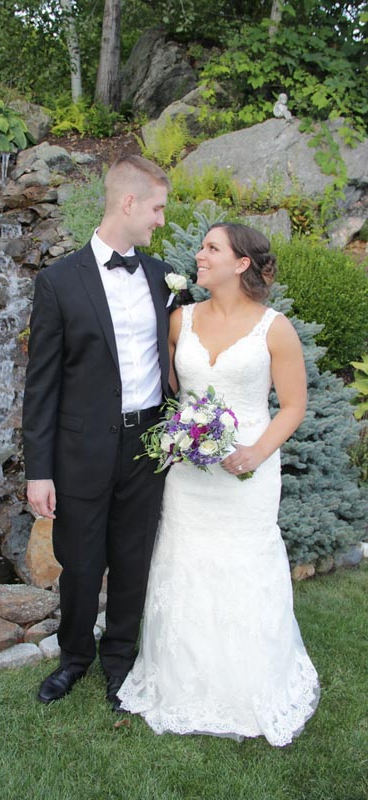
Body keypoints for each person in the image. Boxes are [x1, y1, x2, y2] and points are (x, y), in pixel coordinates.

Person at [118, 222, 320, 746]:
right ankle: (180, 680)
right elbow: (159, 386)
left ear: (241, 263)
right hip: (188, 472)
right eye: (202, 247)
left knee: (244, 563)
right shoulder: (179, 319)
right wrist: (174, 437)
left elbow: (294, 405)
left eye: (212, 249)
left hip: (248, 469)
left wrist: (256, 450)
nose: (199, 256)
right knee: (184, 561)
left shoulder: (274, 329)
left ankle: (252, 684)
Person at [22, 155, 174, 709]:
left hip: (149, 447)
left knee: (133, 558)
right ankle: (74, 659)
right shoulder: (58, 281)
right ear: (128, 202)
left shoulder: (163, 278)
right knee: (81, 562)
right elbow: (40, 385)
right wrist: (38, 470)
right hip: (80, 450)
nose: (161, 219)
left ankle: (120, 662)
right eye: (157, 207)